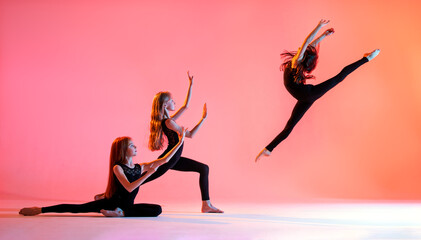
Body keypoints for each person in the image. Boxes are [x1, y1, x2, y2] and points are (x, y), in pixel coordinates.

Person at [255, 19, 380, 162]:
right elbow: (308, 45)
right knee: (289, 126)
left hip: (306, 95)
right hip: (304, 96)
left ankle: (367, 58)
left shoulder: (296, 62)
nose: (303, 49)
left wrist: (321, 29)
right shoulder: (298, 61)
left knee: (339, 78)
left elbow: (307, 43)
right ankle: (268, 149)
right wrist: (322, 33)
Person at [19, 129, 186, 217]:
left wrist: (180, 142)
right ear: (123, 150)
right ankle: (38, 209)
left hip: (127, 207)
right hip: (109, 203)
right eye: (132, 145)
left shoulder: (139, 167)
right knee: (76, 209)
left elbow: (164, 160)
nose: (136, 147)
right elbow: (128, 188)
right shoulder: (117, 168)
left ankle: (121, 214)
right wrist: (148, 174)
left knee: (157, 209)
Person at [147, 72, 223, 213]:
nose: (174, 102)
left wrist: (203, 119)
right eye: (171, 100)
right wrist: (191, 86)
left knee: (203, 168)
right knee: (145, 178)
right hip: (168, 159)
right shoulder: (169, 122)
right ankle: (114, 195)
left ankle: (206, 205)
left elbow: (190, 132)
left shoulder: (169, 121)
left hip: (174, 158)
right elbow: (187, 129)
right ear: (164, 105)